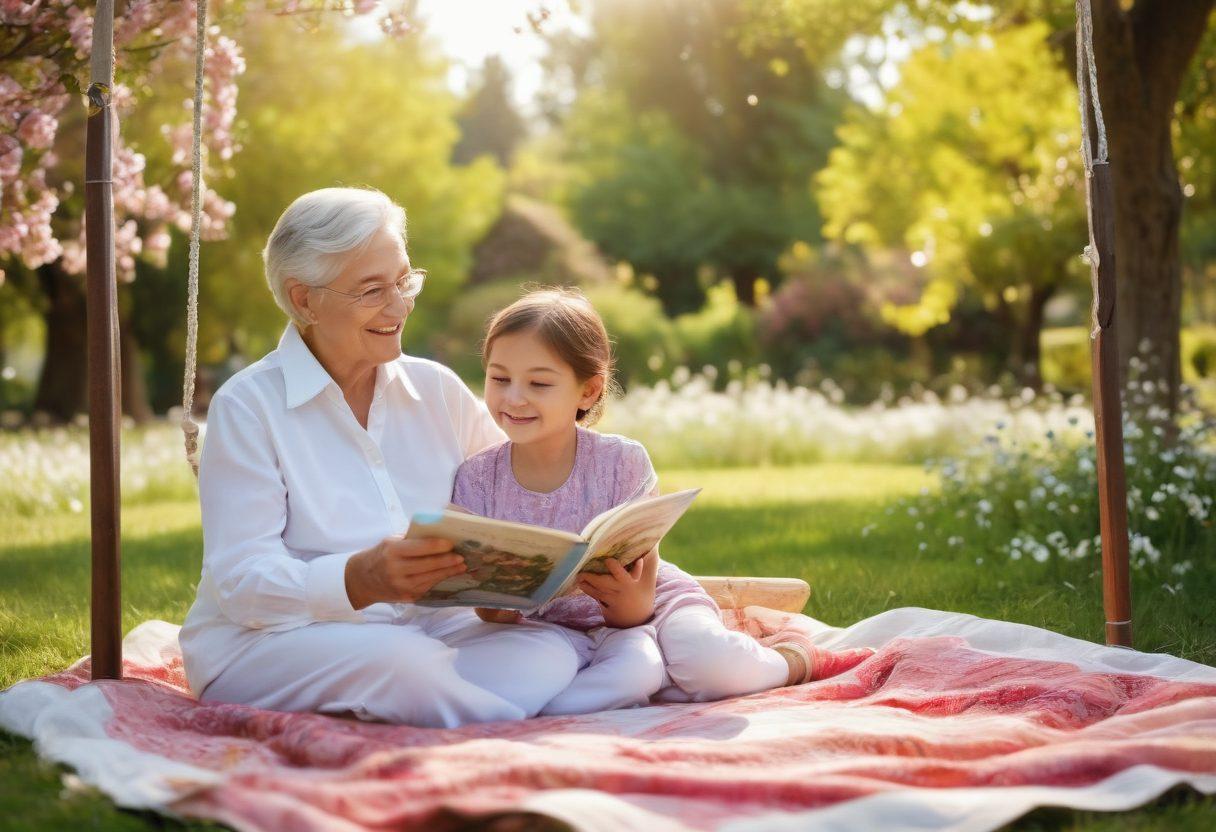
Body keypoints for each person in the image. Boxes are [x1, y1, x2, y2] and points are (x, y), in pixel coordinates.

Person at [179, 188, 581, 727]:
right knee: (404, 665)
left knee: (547, 650)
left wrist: (515, 574)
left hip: (422, 629)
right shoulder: (248, 405)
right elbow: (242, 583)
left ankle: (454, 711)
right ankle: (513, 738)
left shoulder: (436, 388)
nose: (399, 306)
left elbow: (510, 498)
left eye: (403, 281)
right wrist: (357, 579)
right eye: (372, 290)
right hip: (267, 642)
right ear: (303, 300)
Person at [451, 288, 873, 714]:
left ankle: (792, 660)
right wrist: (494, 607)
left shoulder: (622, 461)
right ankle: (663, 681)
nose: (514, 397)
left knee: (713, 663)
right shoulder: (477, 478)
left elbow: (641, 595)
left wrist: (633, 615)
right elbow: (485, 607)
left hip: (651, 607)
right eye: (499, 378)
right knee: (603, 686)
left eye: (539, 383)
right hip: (551, 631)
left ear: (588, 391)